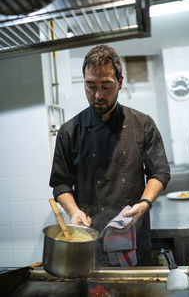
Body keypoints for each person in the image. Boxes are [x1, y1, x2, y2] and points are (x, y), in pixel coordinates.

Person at [49, 44, 170, 266]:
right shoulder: (69, 132)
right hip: (89, 239)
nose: (97, 95)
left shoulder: (142, 124)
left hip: (132, 233)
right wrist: (73, 211)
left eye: (106, 86)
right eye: (90, 86)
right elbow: (61, 183)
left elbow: (159, 172)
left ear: (120, 82)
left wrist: (144, 203)